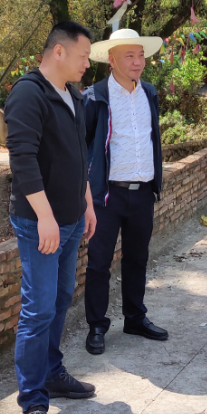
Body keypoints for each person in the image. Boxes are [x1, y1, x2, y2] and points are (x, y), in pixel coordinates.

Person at [4, 21, 99, 414]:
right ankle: (33, 405)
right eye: (83, 56)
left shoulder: (74, 97)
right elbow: (22, 160)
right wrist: (45, 217)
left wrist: (87, 203)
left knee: (60, 299)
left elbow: (79, 158)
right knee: (38, 309)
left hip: (71, 219)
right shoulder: (29, 94)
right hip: (40, 224)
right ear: (58, 52)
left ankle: (52, 373)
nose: (87, 64)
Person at [83, 29, 168, 355]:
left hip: (143, 191)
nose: (137, 62)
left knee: (137, 258)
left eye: (140, 55)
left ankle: (135, 318)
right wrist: (86, 192)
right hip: (107, 195)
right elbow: (83, 147)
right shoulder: (95, 97)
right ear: (112, 60)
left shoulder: (149, 93)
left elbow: (151, 138)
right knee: (99, 263)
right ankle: (96, 325)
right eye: (129, 56)